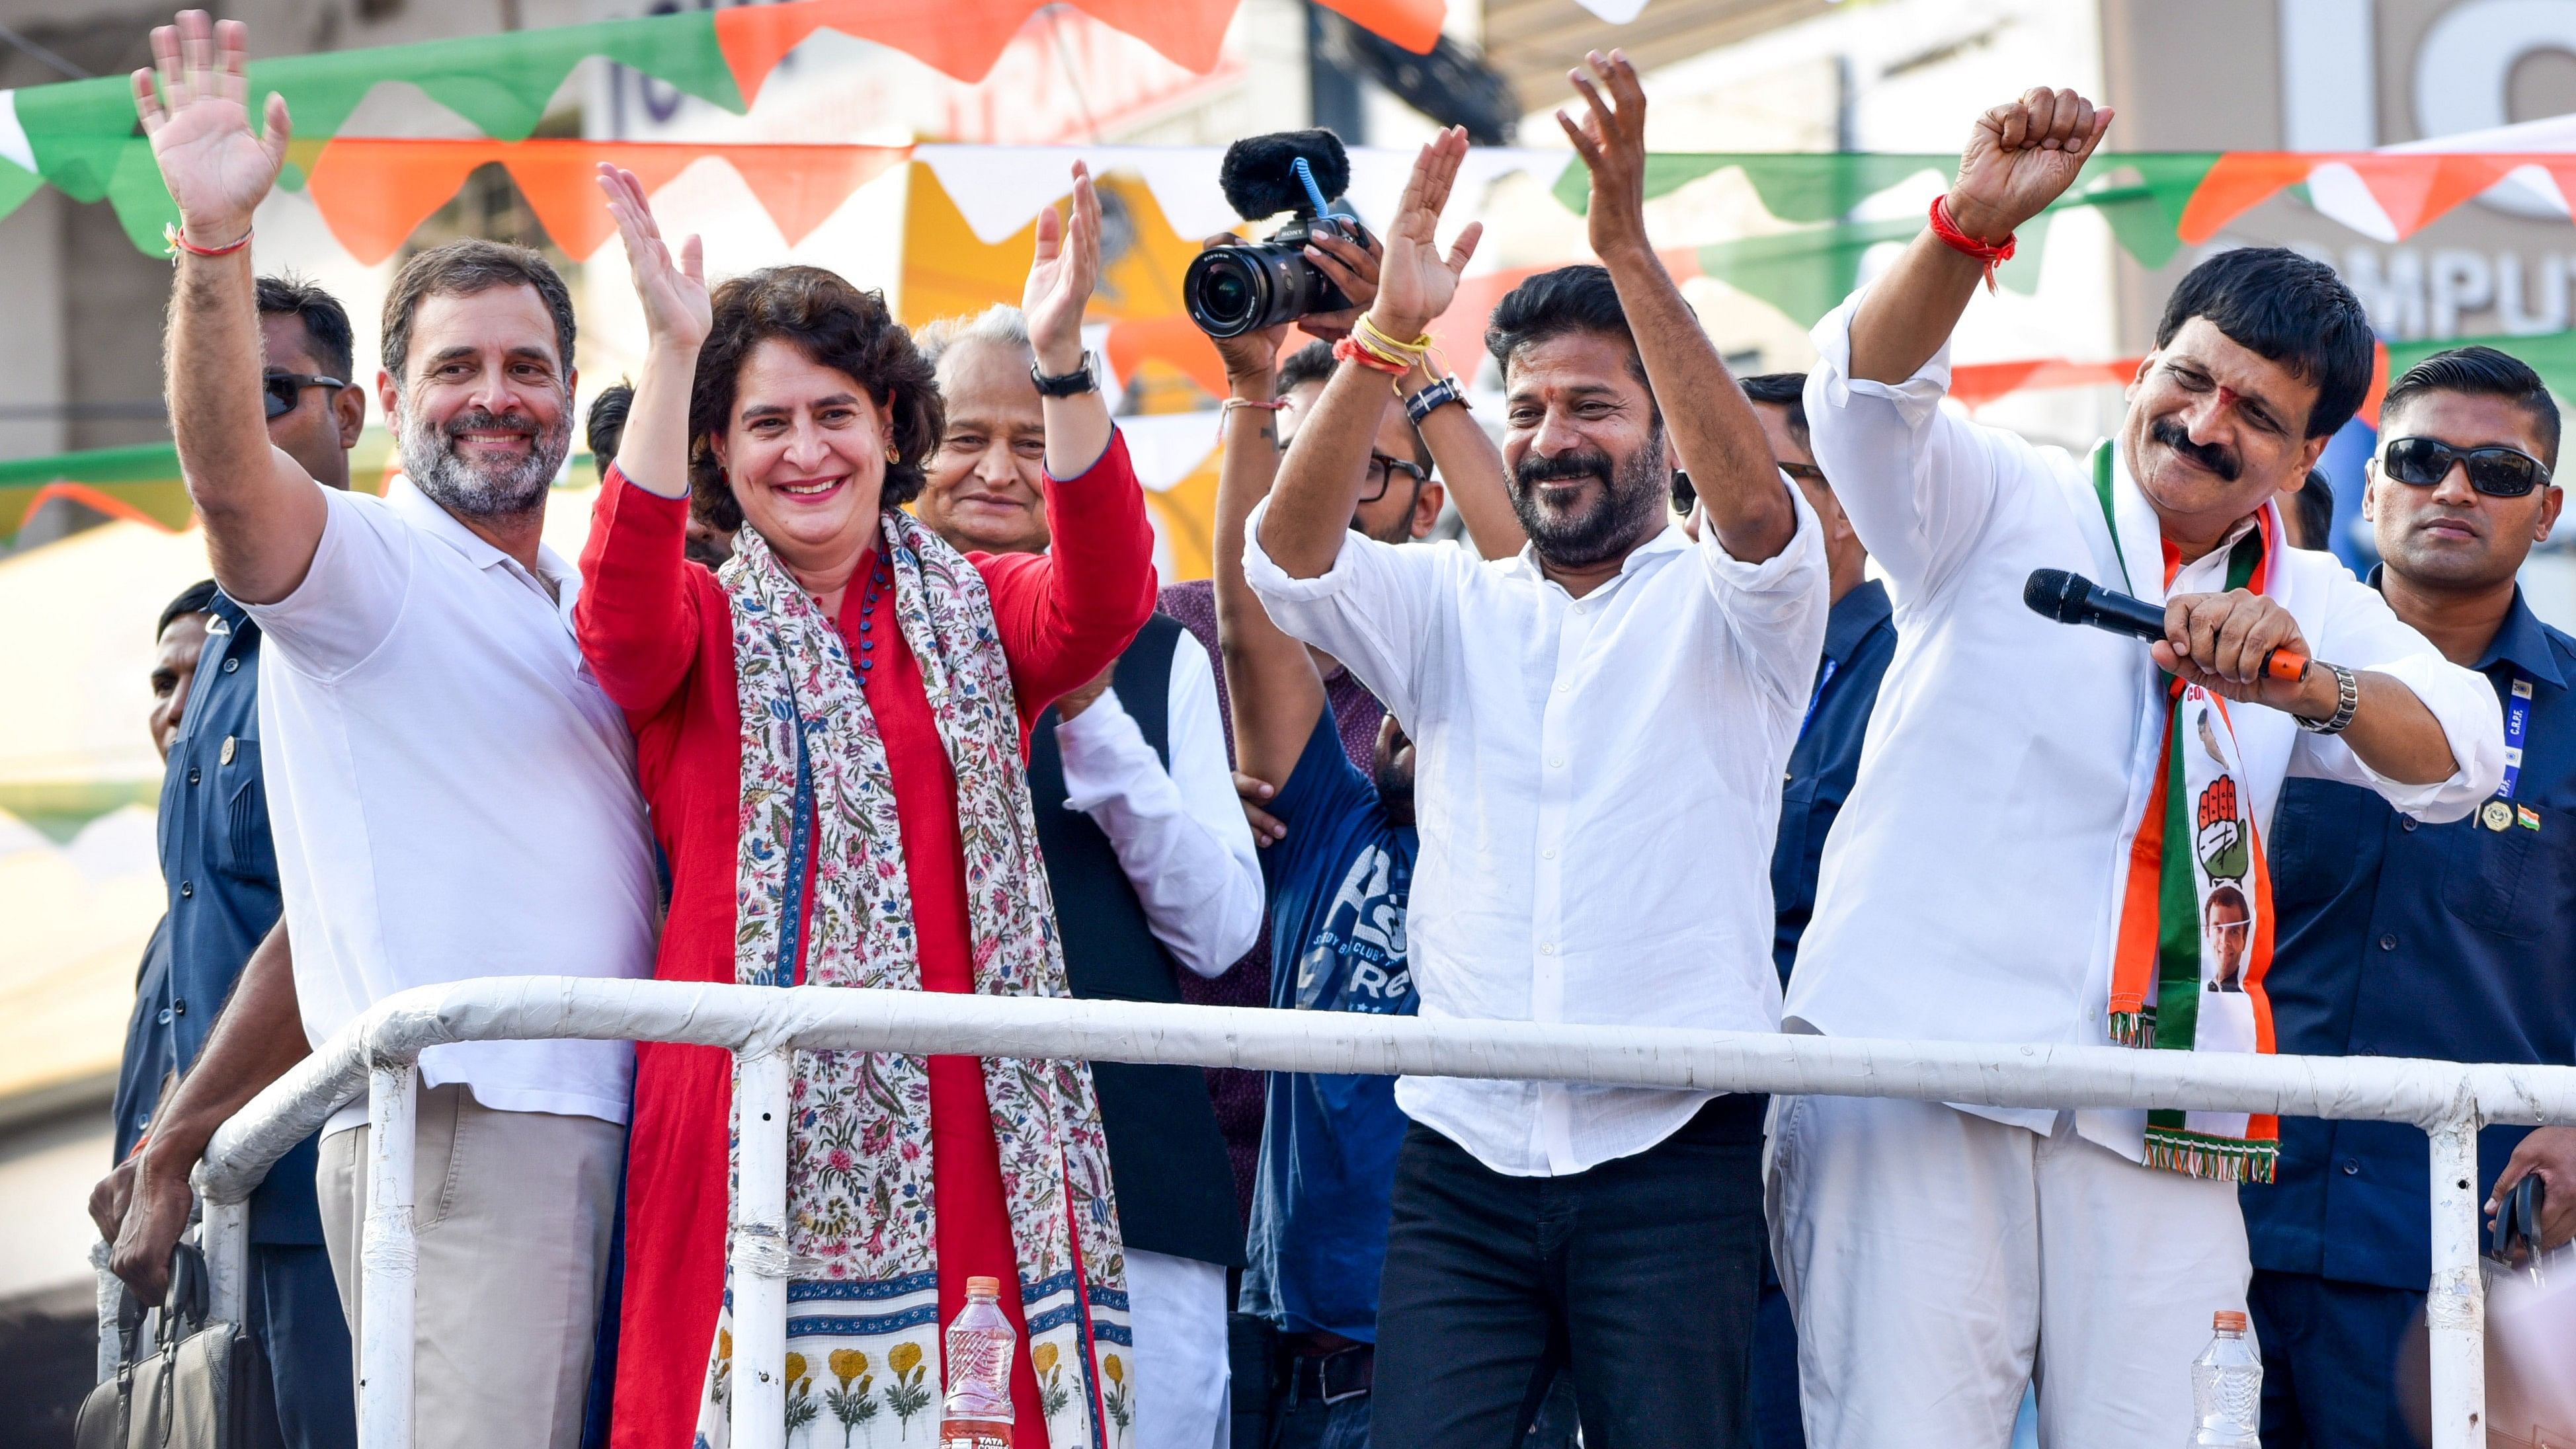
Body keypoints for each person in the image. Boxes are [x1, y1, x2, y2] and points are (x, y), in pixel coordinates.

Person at [1781, 85, 2505, 1448]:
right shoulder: (2000, 499)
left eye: (2252, 412)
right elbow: (1862, 406)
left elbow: (2462, 753)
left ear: (2300, 459)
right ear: (2145, 370)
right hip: (1922, 1062)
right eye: (2190, 377)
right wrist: (1963, 230)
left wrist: (2307, 681)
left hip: (2162, 1109)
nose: (2203, 420)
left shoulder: (2307, 592)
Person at [1246, 62, 1829, 1445]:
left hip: (1674, 1151)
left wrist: (1628, 250)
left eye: (1591, 406)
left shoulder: (1736, 598)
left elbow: (1756, 520)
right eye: (1526, 409)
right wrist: (1386, 330)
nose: (1553, 439)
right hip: (1461, 1153)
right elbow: (1285, 558)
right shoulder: (1450, 602)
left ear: (1662, 432)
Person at [119, 19, 659, 1448]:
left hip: (634, 1104)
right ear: (394, 405)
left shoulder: (577, 593)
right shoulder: (365, 565)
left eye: (530, 366)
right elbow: (233, 482)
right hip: (478, 1116)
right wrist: (215, 243)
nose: (499, 395)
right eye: (458, 366)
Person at [575, 161, 1150, 1449]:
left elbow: (1106, 599)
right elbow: (614, 626)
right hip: (750, 1118)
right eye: (764, 422)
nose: (804, 450)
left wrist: (1059, 364)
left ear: (893, 425)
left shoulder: (981, 613)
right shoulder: (697, 623)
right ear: (716, 450)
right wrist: (673, 355)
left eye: (835, 412)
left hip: (979, 1123)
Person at [1187, 239, 1520, 1449]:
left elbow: (1545, 604)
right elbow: (1251, 610)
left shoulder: (1545, 833)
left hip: (1497, 1343)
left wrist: (1418, 364)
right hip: (1318, 1367)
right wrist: (1250, 393)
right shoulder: (1330, 815)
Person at [915, 301, 1264, 1449]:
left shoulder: (1161, 655)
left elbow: (1220, 930)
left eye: (1036, 441)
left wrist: (1091, 708)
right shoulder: (836, 635)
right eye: (965, 436)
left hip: (1130, 1171)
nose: (999, 472)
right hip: (899, 1175)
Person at [2243, 345, 2576, 1444]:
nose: (2452, 490)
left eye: (2498, 471)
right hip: (2212, 1214)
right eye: (2423, 457)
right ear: (2371, 481)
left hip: (2467, 1252)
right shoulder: (2241, 677)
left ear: (2547, 511)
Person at [92, 271, 368, 1449]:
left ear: (353, 413)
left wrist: (174, 1145)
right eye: (215, 393)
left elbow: (338, 911)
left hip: (330, 1203)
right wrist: (149, 1160)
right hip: (206, 1223)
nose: (239, 422)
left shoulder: (374, 607)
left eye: (275, 393)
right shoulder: (216, 653)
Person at [1720, 370, 1897, 1449]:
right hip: (1689, 1123)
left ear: (1838, 508)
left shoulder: (1905, 673)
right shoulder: (1707, 654)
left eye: (1749, 480)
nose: (1716, 514)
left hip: (1828, 1128)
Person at [104, 581, 218, 1175]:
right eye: (163, 683)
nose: (174, 709)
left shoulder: (303, 874)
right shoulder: (167, 929)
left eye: (204, 676)